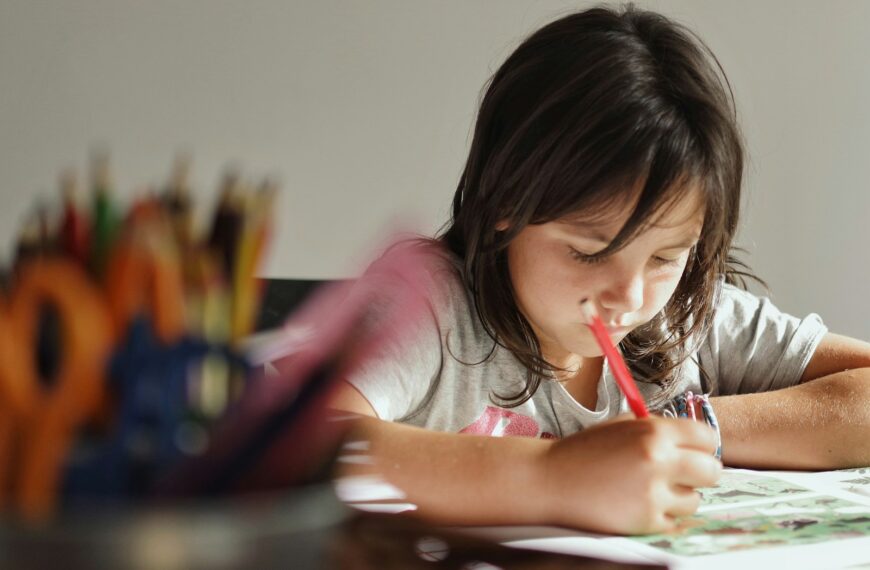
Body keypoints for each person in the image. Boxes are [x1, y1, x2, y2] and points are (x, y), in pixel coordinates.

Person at [327, 4, 870, 535]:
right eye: (589, 251)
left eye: (664, 256)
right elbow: (302, 444)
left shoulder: (685, 314)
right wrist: (552, 475)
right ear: (501, 208)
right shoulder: (427, 302)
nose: (630, 296)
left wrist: (688, 429)